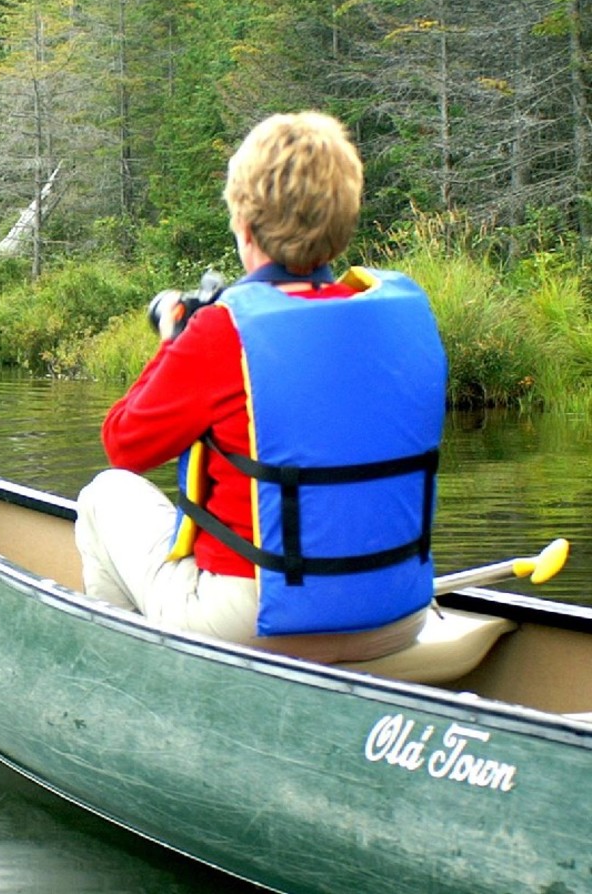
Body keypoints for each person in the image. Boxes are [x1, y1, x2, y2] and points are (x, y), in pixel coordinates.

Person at [75, 111, 447, 662]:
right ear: (342, 221)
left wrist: (176, 341)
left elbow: (124, 444)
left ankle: (128, 673)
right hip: (399, 615)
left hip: (255, 621)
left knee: (106, 494)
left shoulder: (224, 330)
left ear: (244, 225)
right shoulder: (404, 314)